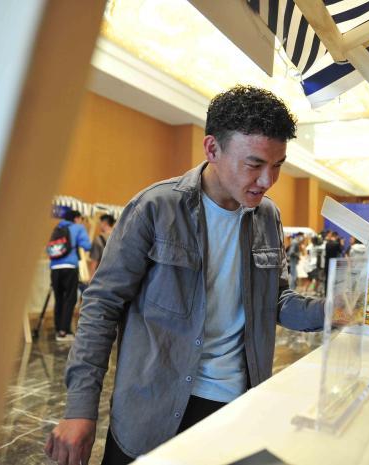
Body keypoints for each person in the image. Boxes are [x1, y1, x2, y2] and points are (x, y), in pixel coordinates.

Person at [45, 85, 325, 465]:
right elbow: (102, 305)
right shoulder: (156, 208)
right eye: (255, 164)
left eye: (277, 165)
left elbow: (273, 299)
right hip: (154, 407)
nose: (267, 180)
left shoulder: (267, 216)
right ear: (212, 149)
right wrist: (80, 407)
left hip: (237, 404)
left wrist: (332, 310)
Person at [49, 209, 91, 342]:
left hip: (54, 268)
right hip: (70, 267)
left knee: (59, 298)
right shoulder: (78, 228)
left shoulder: (57, 228)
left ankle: (58, 330)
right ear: (76, 218)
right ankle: (64, 332)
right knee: (70, 299)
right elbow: (87, 245)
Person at [87, 213, 116, 278]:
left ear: (104, 223)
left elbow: (94, 261)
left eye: (100, 223)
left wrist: (91, 277)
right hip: (116, 276)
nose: (99, 225)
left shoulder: (98, 240)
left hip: (102, 276)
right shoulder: (120, 239)